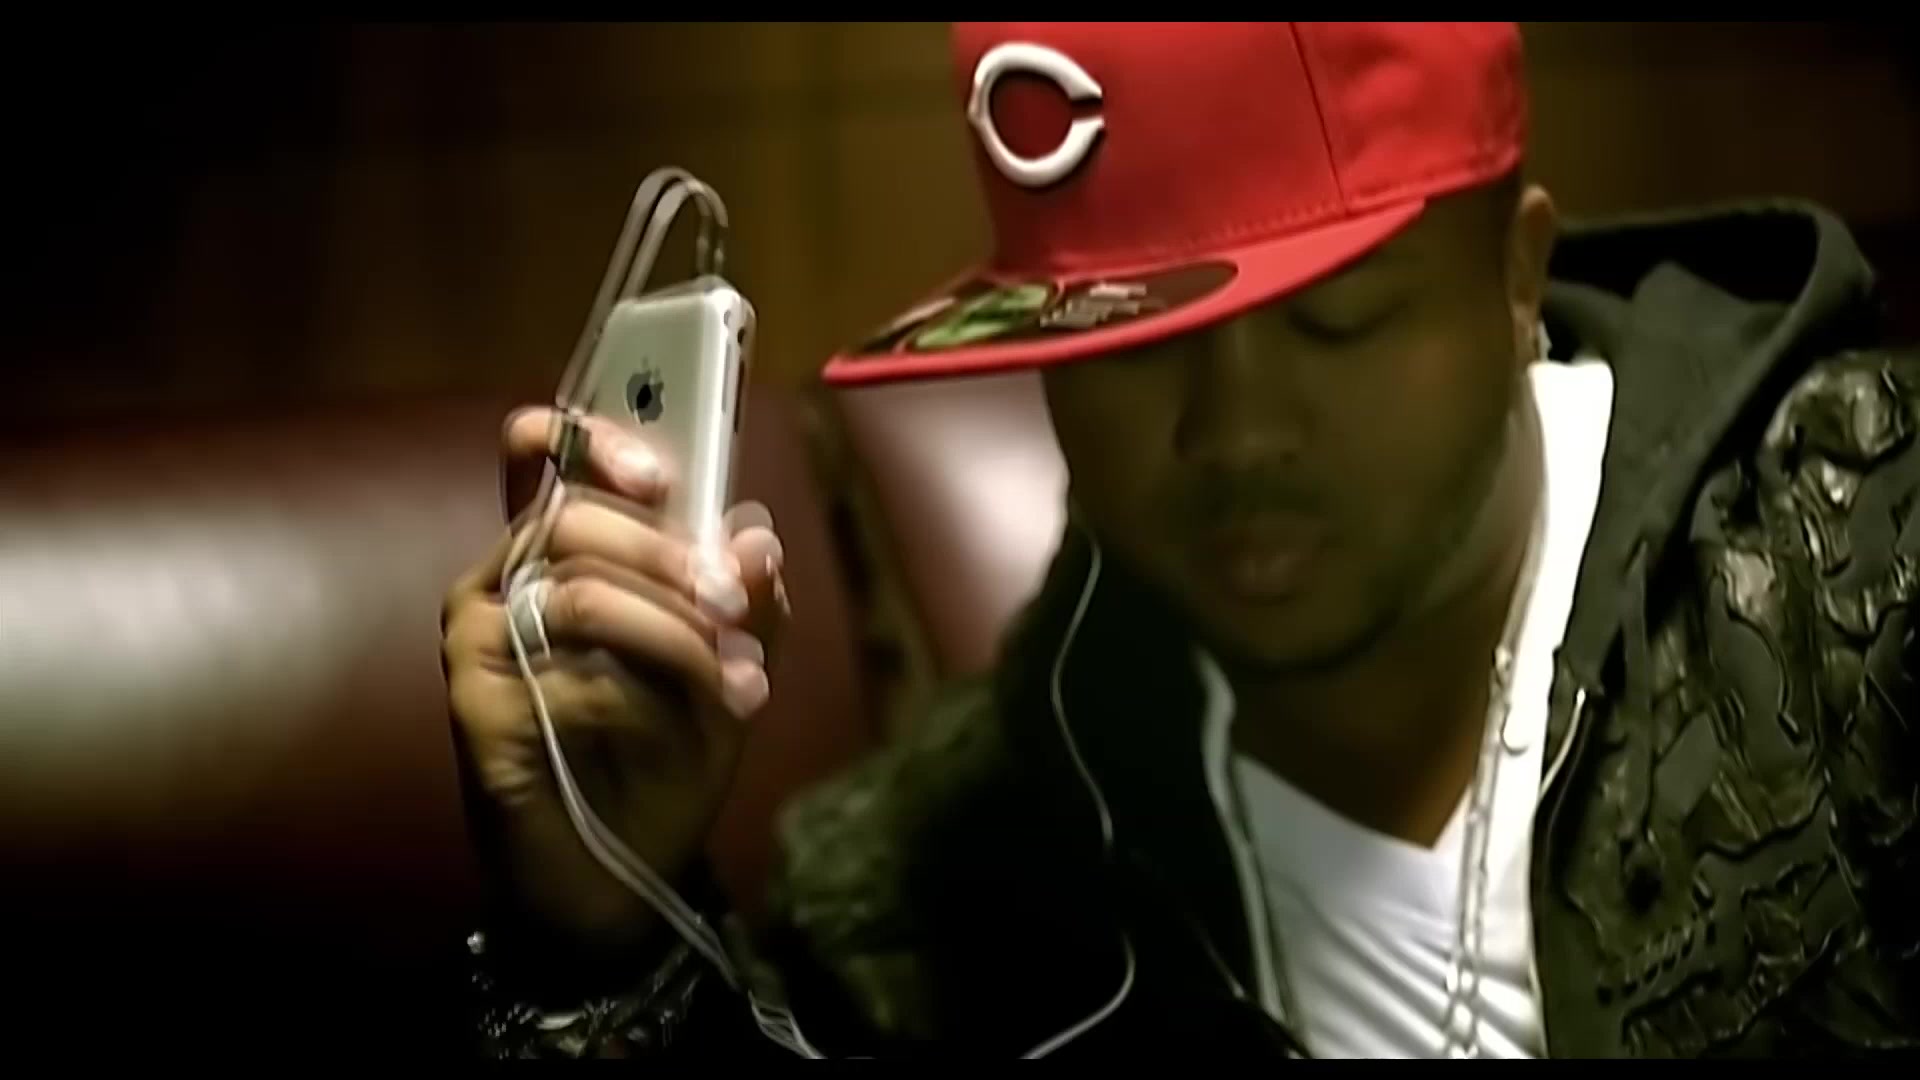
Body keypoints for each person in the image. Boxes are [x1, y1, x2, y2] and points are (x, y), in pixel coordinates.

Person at [440, 22, 1919, 1059]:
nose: (1235, 433)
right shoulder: (951, 878)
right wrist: (592, 929)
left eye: (1337, 323)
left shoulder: (1867, 574)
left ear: (1516, 274)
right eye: (1133, 347)